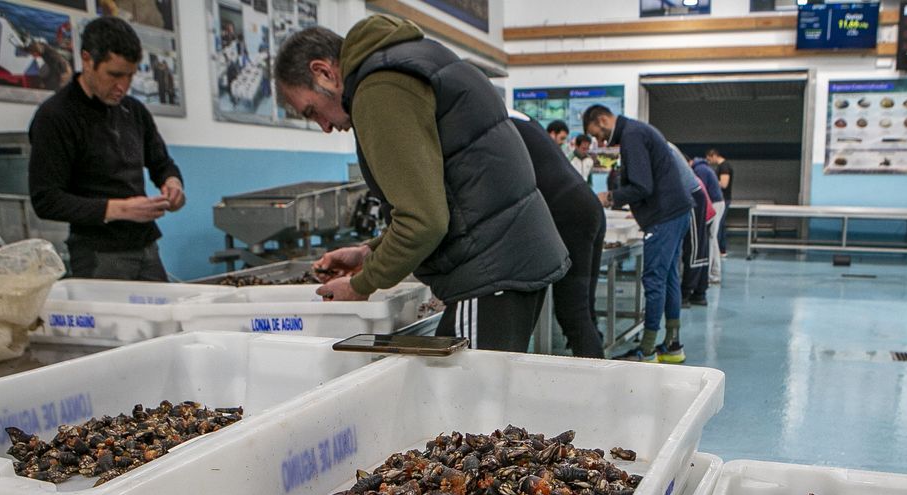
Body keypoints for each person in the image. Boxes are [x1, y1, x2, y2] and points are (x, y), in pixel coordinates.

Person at [274, 16, 569, 353]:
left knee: (463, 398)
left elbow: (423, 222)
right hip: (509, 256)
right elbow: (447, 194)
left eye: (313, 111)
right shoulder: (413, 58)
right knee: (476, 394)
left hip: (489, 270)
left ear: (324, 72)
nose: (324, 126)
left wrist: (361, 284)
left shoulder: (379, 88)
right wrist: (369, 252)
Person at [29, 16, 185, 281]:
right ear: (87, 60)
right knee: (113, 323)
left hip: (146, 248)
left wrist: (173, 184)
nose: (122, 86)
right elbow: (46, 200)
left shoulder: (133, 110)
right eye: (114, 75)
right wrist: (120, 210)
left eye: (130, 75)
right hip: (98, 255)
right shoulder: (55, 116)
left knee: (165, 321)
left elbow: (161, 163)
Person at [583, 104, 692, 363]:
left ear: (603, 120)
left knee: (654, 280)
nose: (599, 142)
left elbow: (642, 186)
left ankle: (647, 350)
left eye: (597, 135)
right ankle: (672, 345)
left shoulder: (631, 135)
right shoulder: (637, 131)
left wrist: (608, 197)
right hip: (676, 212)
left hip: (664, 216)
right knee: (668, 279)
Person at [510, 111, 605, 358]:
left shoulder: (499, 124)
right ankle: (599, 377)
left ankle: (596, 386)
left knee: (572, 312)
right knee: (584, 310)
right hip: (587, 206)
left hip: (569, 215)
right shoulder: (523, 121)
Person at [691, 156, 724, 289]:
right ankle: (714, 273)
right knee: (712, 238)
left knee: (709, 239)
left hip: (713, 204)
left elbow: (699, 191)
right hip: (716, 203)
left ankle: (708, 275)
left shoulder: (700, 169)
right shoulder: (703, 167)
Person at [705, 148, 734, 256]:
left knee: (719, 224)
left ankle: (721, 249)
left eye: (709, 159)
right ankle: (720, 249)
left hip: (723, 199)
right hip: (723, 199)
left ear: (714, 156)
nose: (709, 162)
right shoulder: (721, 167)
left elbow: (724, 184)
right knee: (720, 224)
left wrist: (711, 180)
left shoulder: (724, 167)